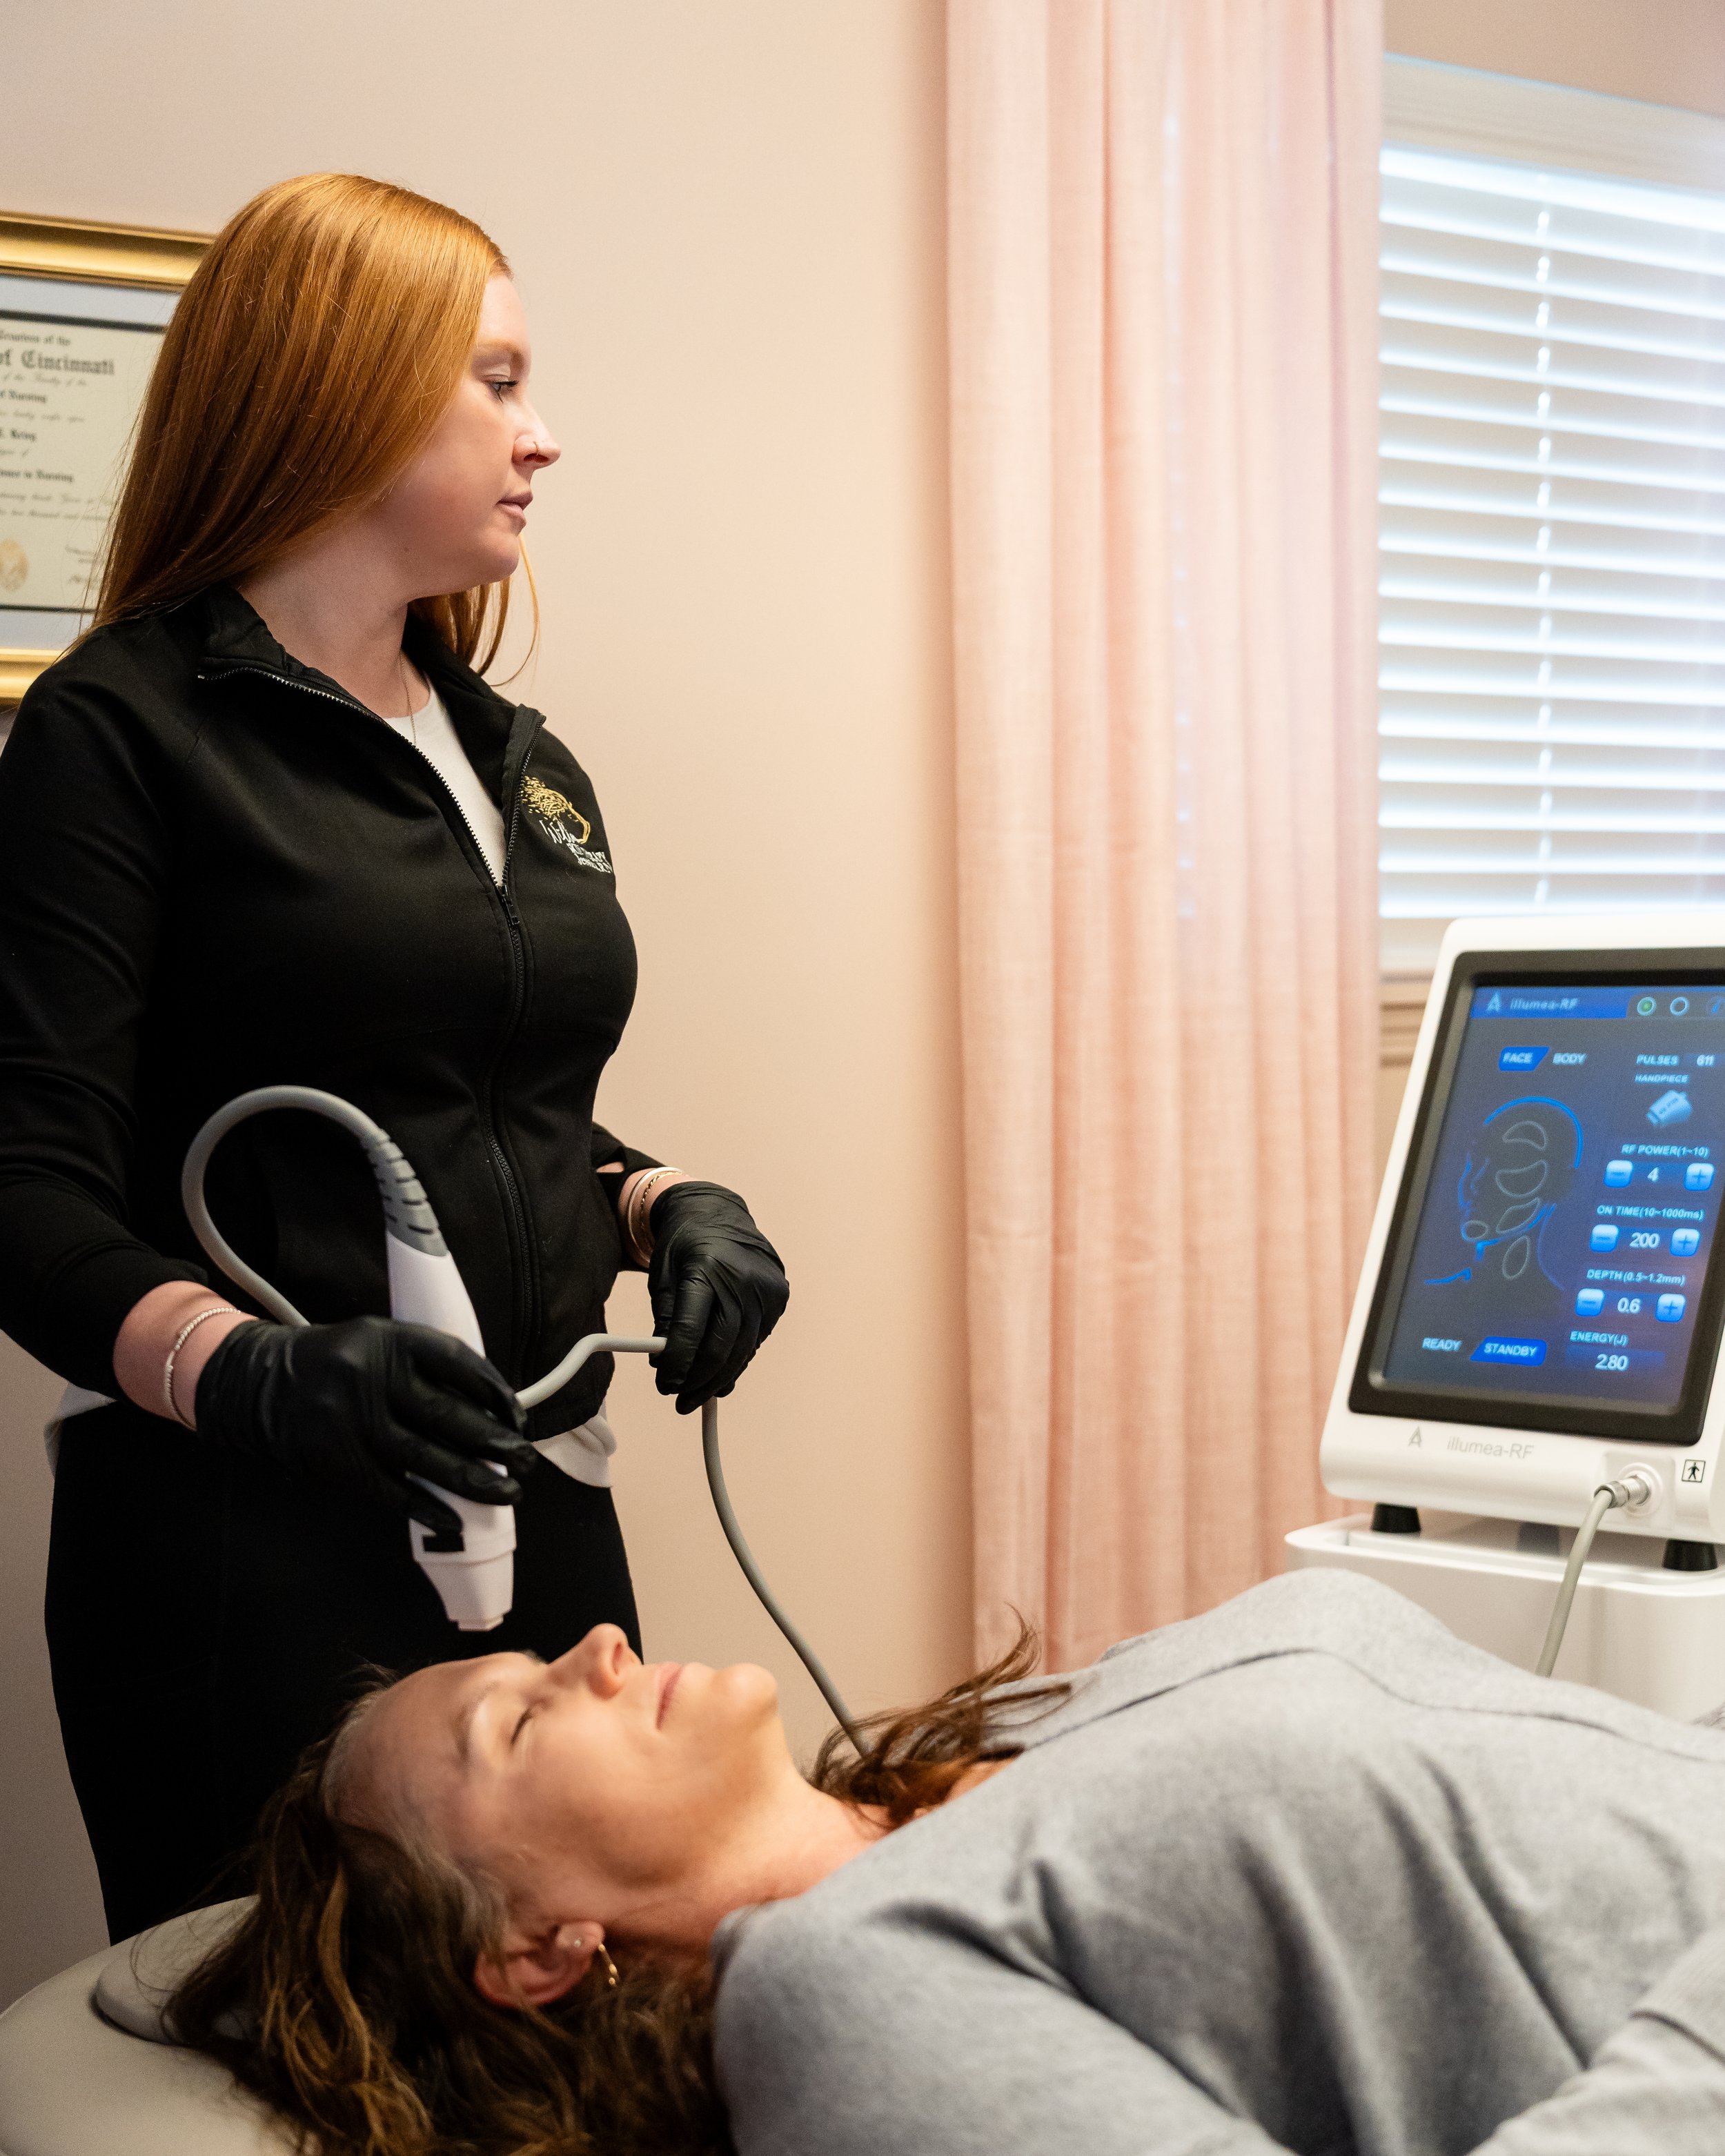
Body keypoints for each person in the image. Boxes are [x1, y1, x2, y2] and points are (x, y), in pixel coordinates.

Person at [0, 172, 788, 1944]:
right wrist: (251, 1374)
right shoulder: (121, 733)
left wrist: (670, 1207)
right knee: (304, 2056)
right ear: (340, 393)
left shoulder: (520, 757)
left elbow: (491, 1109)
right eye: (496, 382)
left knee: (580, 2029)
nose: (544, 437)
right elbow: (24, 1189)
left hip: (533, 1498)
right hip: (248, 1544)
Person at [170, 1567, 1725, 2156]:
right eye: (513, 1723)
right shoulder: (846, 1997)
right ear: (531, 1949)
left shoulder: (1031, 1731)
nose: (594, 1645)